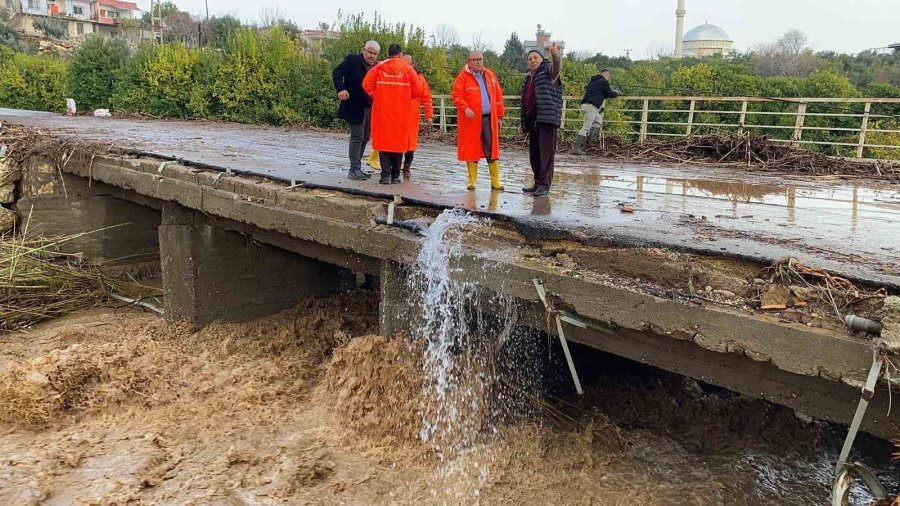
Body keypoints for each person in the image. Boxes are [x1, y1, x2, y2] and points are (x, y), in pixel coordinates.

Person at [362, 43, 424, 184]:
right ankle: (395, 176)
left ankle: (385, 175)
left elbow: (366, 85)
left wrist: (376, 95)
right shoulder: (408, 69)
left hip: (382, 112)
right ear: (400, 55)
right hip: (402, 112)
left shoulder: (379, 67)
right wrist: (407, 97)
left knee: (384, 143)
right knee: (399, 144)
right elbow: (418, 91)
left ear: (388, 53)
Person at [451, 51, 506, 191]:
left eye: (480, 59)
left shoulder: (490, 75)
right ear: (468, 61)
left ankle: (495, 181)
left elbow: (498, 97)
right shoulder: (462, 77)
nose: (478, 62)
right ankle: (472, 181)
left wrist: (499, 116)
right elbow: (456, 95)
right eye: (475, 59)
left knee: (492, 149)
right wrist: (465, 107)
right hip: (471, 120)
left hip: (489, 119)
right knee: (472, 149)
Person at [333, 40, 380, 180]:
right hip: (354, 105)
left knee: (365, 137)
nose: (371, 55)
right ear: (364, 50)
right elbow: (337, 72)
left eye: (375, 53)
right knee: (357, 136)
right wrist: (341, 89)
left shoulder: (377, 67)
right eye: (370, 52)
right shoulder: (353, 61)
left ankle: (357, 166)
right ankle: (354, 168)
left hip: (369, 106)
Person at [520, 45, 562, 197]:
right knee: (535, 155)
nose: (532, 61)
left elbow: (557, 67)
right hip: (532, 120)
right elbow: (525, 101)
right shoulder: (528, 77)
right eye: (530, 59)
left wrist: (555, 55)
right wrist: (523, 121)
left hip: (546, 119)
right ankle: (537, 182)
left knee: (546, 155)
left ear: (542, 59)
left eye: (535, 58)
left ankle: (544, 185)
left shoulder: (548, 72)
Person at [401, 54, 434, 180]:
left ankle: (407, 167)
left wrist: (429, 116)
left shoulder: (420, 79)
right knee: (396, 144)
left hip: (412, 119)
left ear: (412, 65)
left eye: (408, 64)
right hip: (397, 117)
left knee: (410, 145)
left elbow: (427, 98)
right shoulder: (396, 76)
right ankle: (393, 168)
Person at [573, 68, 619, 155]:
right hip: (591, 106)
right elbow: (610, 94)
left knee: (598, 120)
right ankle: (576, 148)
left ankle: (591, 144)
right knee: (586, 126)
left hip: (588, 105)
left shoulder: (593, 81)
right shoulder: (603, 82)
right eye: (608, 76)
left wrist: (612, 92)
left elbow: (603, 94)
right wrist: (616, 91)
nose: (608, 79)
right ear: (605, 75)